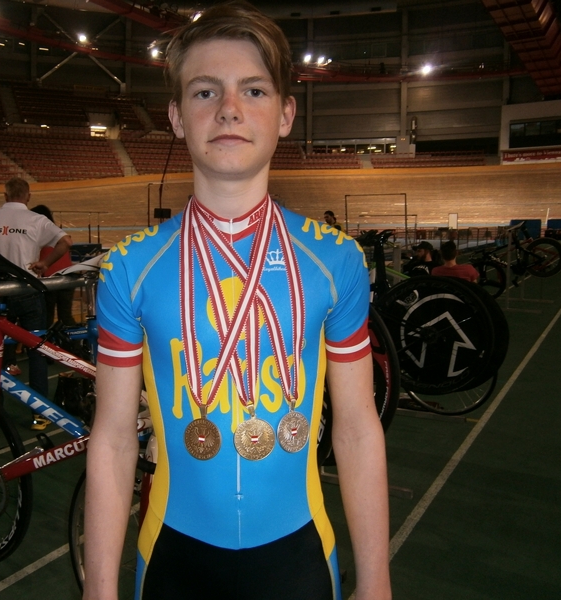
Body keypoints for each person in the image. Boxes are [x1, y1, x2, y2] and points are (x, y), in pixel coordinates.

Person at [84, 3, 391, 600]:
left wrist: (376, 579)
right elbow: (115, 438)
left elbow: (357, 428)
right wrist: (99, 590)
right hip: (172, 561)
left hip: (301, 560)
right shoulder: (129, 269)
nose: (228, 108)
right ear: (177, 117)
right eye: (205, 92)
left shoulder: (334, 262)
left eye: (253, 90)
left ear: (286, 114)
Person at [0, 177, 72, 431]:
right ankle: (40, 415)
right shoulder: (36, 220)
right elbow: (66, 242)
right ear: (28, 196)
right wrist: (45, 263)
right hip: (28, 291)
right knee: (37, 351)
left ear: (5, 195)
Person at [30, 204, 77, 327]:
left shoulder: (37, 234)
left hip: (50, 278)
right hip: (68, 276)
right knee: (65, 316)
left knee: (47, 316)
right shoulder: (59, 233)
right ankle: (72, 338)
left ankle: (47, 338)